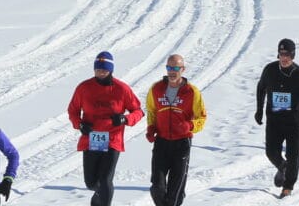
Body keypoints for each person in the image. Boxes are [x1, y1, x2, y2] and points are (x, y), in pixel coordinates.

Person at [67, 51, 143, 206]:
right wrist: (80, 124)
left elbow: (138, 111)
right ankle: (98, 198)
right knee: (91, 183)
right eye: (98, 70)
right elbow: (73, 110)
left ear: (111, 70)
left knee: (105, 179)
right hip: (92, 139)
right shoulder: (84, 87)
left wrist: (125, 119)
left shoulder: (122, 89)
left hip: (112, 139)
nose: (101, 73)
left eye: (104, 70)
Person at [256, 38, 299, 199]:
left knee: (293, 155)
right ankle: (282, 167)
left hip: (294, 123)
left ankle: (288, 187)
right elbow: (261, 88)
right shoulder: (269, 70)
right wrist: (259, 110)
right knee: (271, 152)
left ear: (293, 55)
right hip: (275, 121)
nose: (284, 58)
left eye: (288, 55)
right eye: (282, 54)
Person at [146, 53, 206, 206]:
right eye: (169, 67)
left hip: (182, 144)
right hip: (161, 142)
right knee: (156, 188)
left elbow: (202, 117)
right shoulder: (156, 89)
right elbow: (152, 111)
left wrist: (190, 126)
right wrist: (151, 127)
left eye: (175, 68)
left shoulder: (192, 92)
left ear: (183, 69)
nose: (171, 71)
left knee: (174, 193)